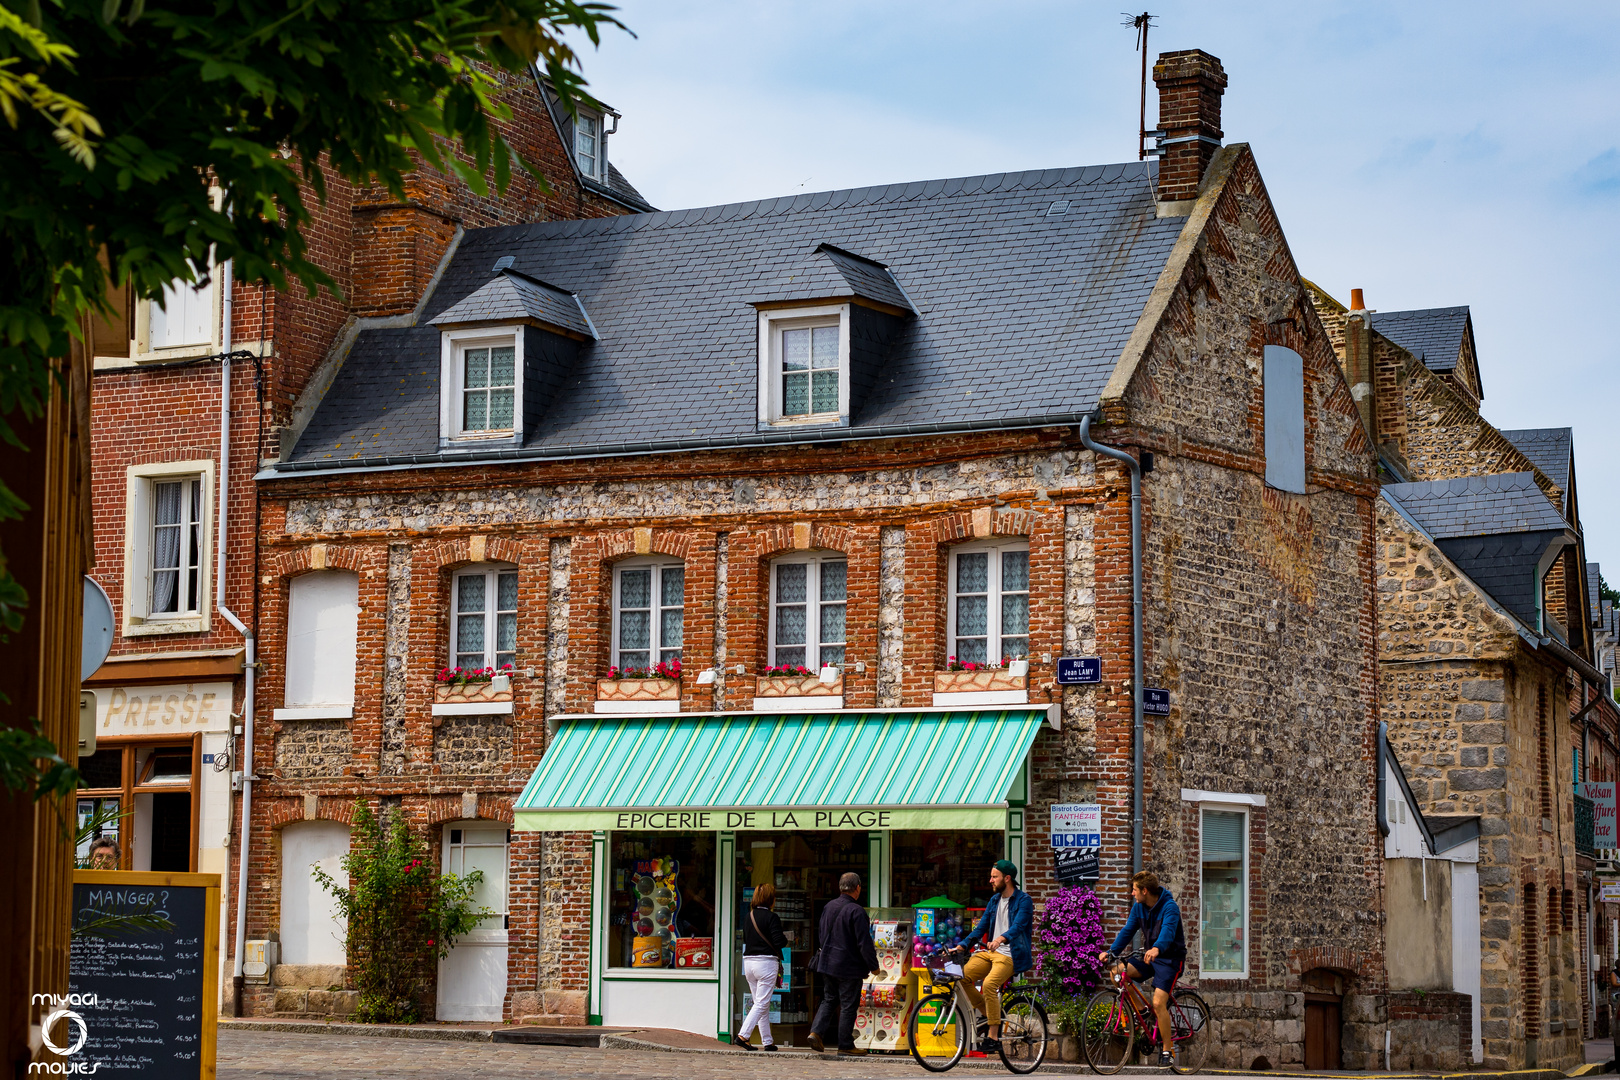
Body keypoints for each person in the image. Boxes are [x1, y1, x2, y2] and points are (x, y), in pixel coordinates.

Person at [1098, 870, 1186, 1069]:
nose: (1132, 893)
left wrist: (1157, 948)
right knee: (1117, 973)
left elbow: (1168, 933)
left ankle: (1167, 1050)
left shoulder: (1169, 907)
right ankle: (1142, 1010)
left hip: (1170, 960)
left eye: (1134, 890)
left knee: (1158, 1002)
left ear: (1145, 891)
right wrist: (1110, 953)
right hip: (1149, 957)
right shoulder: (1139, 908)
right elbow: (1127, 931)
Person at [951, 859, 1034, 1053]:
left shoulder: (1024, 900)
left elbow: (1018, 926)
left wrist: (1001, 939)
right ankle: (990, 1016)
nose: (990, 880)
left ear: (1007, 878)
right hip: (990, 953)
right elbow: (980, 928)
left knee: (989, 985)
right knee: (962, 977)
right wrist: (962, 946)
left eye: (994, 877)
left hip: (1010, 955)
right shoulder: (994, 900)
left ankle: (993, 1036)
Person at [807, 872, 882, 1056]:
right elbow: (864, 943)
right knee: (848, 1004)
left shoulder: (828, 907)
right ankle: (845, 1044)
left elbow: (821, 934)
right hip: (848, 966)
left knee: (829, 999)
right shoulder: (857, 911)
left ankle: (816, 1032)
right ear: (857, 888)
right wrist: (874, 966)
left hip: (827, 963)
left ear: (841, 887)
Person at [736, 883, 789, 1051]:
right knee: (761, 1003)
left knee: (761, 1003)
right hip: (766, 963)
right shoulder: (772, 918)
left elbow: (746, 939)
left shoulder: (748, 916)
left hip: (749, 963)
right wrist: (785, 937)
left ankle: (767, 1041)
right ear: (770, 900)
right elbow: (779, 942)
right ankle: (743, 1036)